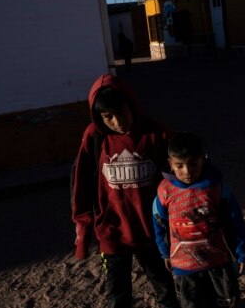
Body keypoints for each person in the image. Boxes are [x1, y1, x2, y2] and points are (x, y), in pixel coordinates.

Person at [71, 74, 179, 308]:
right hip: (112, 234)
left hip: (151, 233)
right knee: (117, 295)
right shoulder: (95, 136)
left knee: (164, 286)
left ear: (132, 104)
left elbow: (181, 178)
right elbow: (81, 184)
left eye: (121, 111)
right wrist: (83, 231)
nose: (118, 121)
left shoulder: (157, 134)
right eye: (108, 116)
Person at [152, 132, 245, 308]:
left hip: (218, 261)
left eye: (193, 163)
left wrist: (242, 251)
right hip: (184, 265)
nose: (187, 171)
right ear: (170, 164)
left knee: (228, 301)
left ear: (203, 159)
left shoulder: (218, 188)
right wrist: (165, 252)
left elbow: (236, 221)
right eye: (179, 165)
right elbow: (159, 223)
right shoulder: (164, 192)